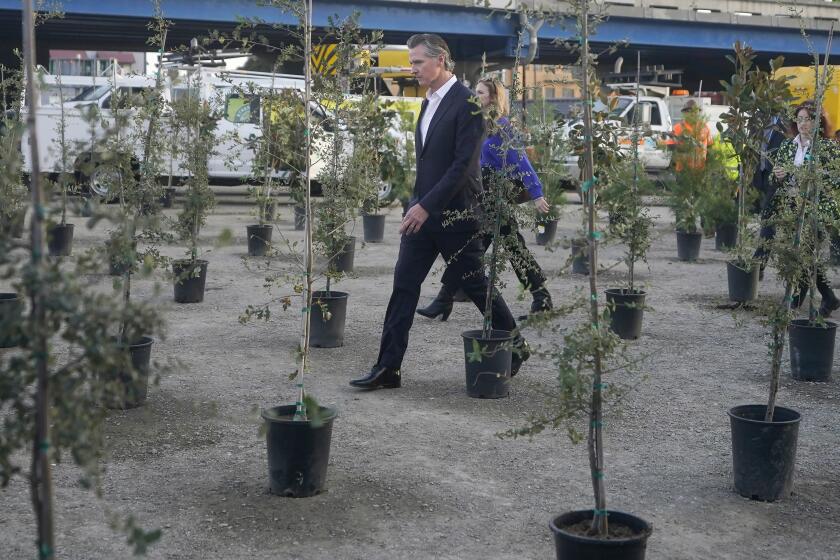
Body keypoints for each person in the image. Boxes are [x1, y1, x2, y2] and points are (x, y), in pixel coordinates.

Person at [349, 34, 529, 391]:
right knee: (403, 288)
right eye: (411, 61)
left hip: (455, 216)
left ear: (441, 60)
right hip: (423, 214)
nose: (411, 68)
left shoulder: (467, 104)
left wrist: (425, 206)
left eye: (417, 62)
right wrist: (417, 203)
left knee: (478, 288)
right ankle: (388, 369)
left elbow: (463, 166)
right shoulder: (427, 101)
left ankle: (517, 347)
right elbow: (430, 163)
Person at [416, 77, 553, 322]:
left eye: (480, 92)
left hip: (495, 198)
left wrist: (536, 193)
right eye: (474, 91)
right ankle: (445, 299)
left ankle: (541, 298)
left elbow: (521, 161)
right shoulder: (478, 122)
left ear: (492, 97)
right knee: (480, 249)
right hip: (479, 196)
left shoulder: (502, 127)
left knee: (503, 248)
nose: (474, 95)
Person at [768, 101, 840, 316]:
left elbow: (836, 180)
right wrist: (778, 176)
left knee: (805, 254)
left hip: (816, 209)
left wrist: (817, 182)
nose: (802, 123)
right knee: (805, 256)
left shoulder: (827, 148)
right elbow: (774, 176)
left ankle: (794, 303)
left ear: (817, 121)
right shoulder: (788, 145)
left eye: (807, 119)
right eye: (799, 119)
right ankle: (829, 298)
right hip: (792, 209)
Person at [751, 115, 788, 278]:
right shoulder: (758, 122)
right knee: (766, 220)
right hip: (762, 177)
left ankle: (758, 263)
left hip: (780, 180)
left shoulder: (786, 122)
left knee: (768, 221)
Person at [671, 100, 713, 172]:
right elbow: (672, 148)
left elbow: (710, 147)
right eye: (689, 111)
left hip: (700, 170)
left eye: (695, 111)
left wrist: (709, 166)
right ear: (685, 113)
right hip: (683, 171)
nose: (693, 114)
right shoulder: (678, 128)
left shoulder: (705, 127)